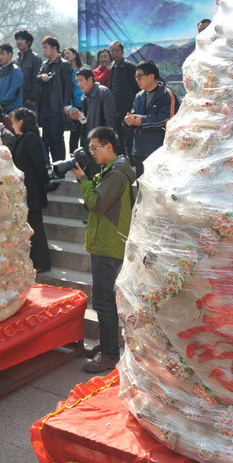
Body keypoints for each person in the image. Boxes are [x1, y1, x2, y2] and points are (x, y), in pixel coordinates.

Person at [70, 127, 136, 373]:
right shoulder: (110, 171)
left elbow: (96, 203)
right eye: (90, 149)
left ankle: (110, 354)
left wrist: (82, 179)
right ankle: (107, 344)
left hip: (109, 247)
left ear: (110, 147)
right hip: (104, 244)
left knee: (105, 301)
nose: (93, 153)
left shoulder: (117, 175)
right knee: (102, 299)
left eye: (96, 148)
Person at [11, 108, 52, 273]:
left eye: (13, 121)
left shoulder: (30, 137)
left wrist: (44, 183)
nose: (12, 125)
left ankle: (43, 262)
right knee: (31, 226)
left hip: (33, 191)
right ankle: (36, 261)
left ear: (20, 122)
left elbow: (39, 164)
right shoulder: (22, 138)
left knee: (36, 227)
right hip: (27, 191)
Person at [124, 59, 180, 178]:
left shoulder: (167, 94)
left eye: (140, 76)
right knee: (142, 190)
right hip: (139, 150)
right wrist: (130, 120)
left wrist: (142, 121)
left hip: (158, 150)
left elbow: (168, 120)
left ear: (151, 76)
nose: (137, 80)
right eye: (135, 77)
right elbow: (134, 114)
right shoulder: (139, 96)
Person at [73, 68, 117, 177]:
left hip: (101, 144)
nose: (79, 84)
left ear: (90, 79)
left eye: (81, 80)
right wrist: (76, 117)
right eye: (77, 81)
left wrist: (105, 142)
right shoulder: (84, 97)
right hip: (90, 143)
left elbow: (110, 120)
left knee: (102, 177)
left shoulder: (103, 92)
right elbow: (85, 122)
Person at [36, 36, 73, 162]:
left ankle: (60, 167)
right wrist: (42, 78)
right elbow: (37, 78)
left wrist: (67, 104)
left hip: (57, 107)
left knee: (57, 138)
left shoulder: (63, 64)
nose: (44, 51)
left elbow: (68, 86)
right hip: (44, 107)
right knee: (46, 139)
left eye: (46, 48)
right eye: (43, 48)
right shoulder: (44, 64)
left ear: (54, 48)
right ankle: (50, 166)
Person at [108, 40, 140, 162]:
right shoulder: (112, 67)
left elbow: (136, 88)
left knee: (129, 135)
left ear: (122, 52)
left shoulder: (129, 67)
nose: (114, 53)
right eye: (112, 51)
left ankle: (133, 160)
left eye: (117, 51)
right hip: (115, 107)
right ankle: (121, 159)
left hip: (128, 107)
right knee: (118, 136)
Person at [63, 47, 87, 155]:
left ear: (75, 54)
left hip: (85, 104)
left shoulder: (84, 69)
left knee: (85, 131)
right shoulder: (65, 71)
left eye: (68, 53)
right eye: (65, 54)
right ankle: (73, 157)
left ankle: (84, 155)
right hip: (73, 106)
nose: (66, 56)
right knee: (74, 133)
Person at [15, 29, 43, 111]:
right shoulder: (16, 60)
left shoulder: (35, 58)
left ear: (29, 42)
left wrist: (31, 98)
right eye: (17, 39)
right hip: (18, 101)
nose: (19, 42)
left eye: (22, 39)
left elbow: (37, 80)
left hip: (31, 102)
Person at [0, 42, 24, 113]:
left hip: (13, 110)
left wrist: (2, 103)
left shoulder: (16, 71)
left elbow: (14, 91)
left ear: (10, 54)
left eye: (2, 54)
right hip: (1, 110)